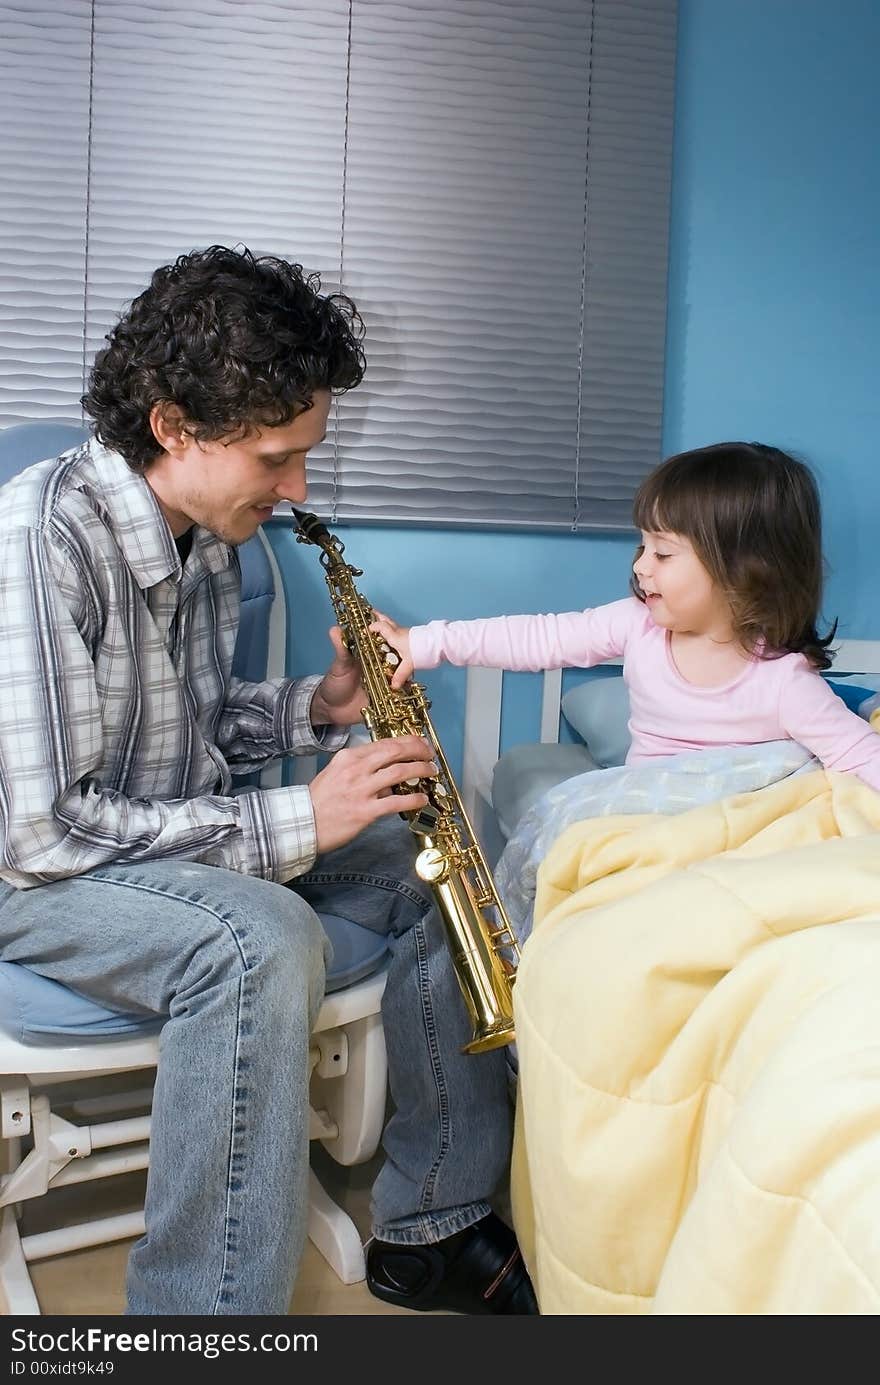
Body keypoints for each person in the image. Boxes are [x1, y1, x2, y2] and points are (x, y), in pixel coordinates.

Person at [0, 245, 537, 1316]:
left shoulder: (205, 535)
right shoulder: (36, 536)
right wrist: (303, 814)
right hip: (39, 882)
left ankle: (431, 1220)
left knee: (433, 849)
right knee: (259, 935)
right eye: (277, 458)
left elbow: (189, 735)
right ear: (172, 425)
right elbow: (46, 832)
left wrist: (321, 707)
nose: (297, 490)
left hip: (152, 852)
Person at [372, 441, 880, 792]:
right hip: (644, 820)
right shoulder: (638, 626)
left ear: (745, 571)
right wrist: (423, 643)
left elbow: (861, 757)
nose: (640, 566)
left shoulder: (787, 685)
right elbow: (540, 638)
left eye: (663, 554)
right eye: (642, 546)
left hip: (739, 838)